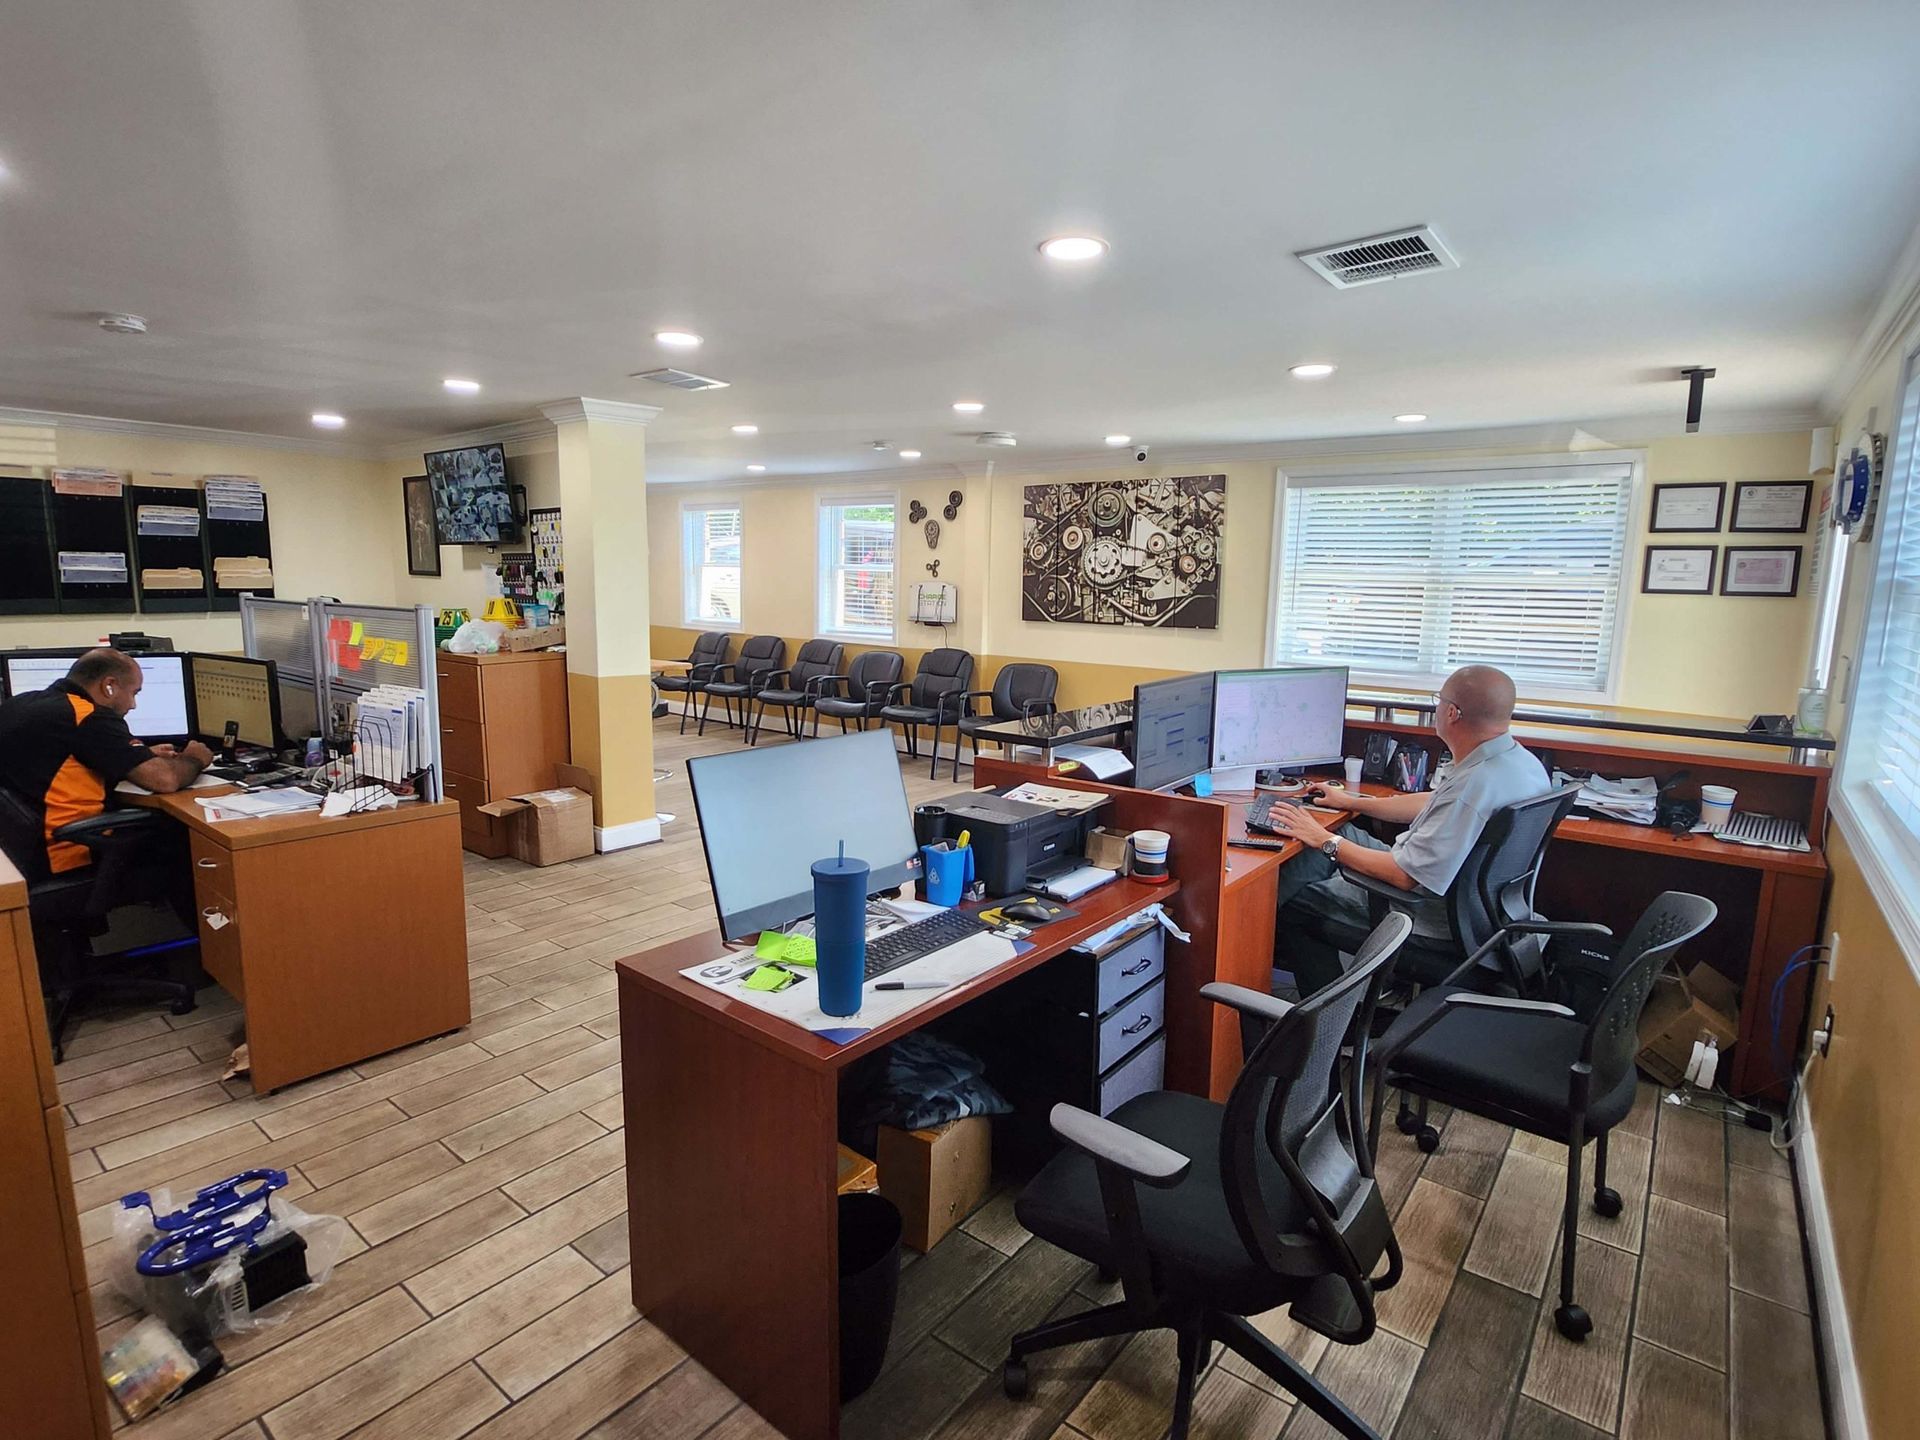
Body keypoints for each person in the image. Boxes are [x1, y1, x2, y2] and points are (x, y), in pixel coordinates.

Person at [1262, 664, 1550, 995]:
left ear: (1453, 713)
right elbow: (1435, 801)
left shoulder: (1475, 785)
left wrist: (1324, 839)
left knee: (1295, 899)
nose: (1437, 707)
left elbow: (1403, 877)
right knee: (1311, 855)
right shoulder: (1519, 762)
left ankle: (1332, 1023)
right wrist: (1351, 802)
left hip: (1430, 914)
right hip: (1480, 908)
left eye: (1439, 700)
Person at [0, 649, 213, 874]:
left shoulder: (22, 704)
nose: (133, 705)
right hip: (68, 853)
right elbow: (165, 780)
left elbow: (55, 763)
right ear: (109, 685)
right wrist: (195, 758)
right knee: (181, 840)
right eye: (134, 693)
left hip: (20, 855)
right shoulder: (90, 716)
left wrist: (133, 756)